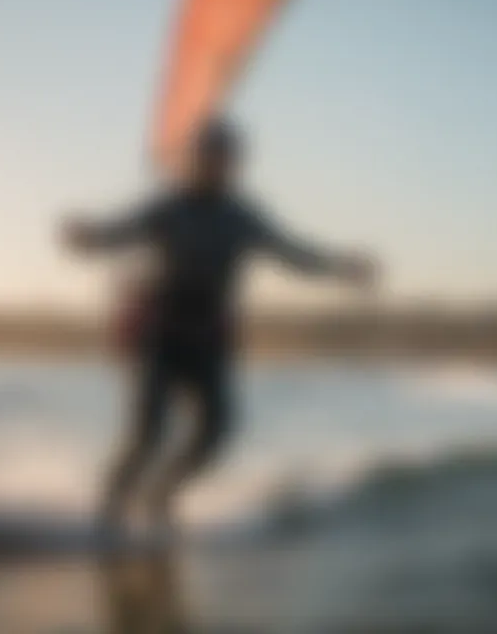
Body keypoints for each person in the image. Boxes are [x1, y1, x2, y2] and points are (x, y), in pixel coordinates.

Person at [60, 117, 378, 535]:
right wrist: (88, 237)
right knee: (148, 433)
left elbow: (292, 253)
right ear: (195, 160)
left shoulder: (241, 216)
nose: (218, 165)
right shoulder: (168, 207)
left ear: (235, 164)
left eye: (227, 159)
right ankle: (107, 515)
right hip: (159, 335)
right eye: (210, 156)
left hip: (207, 340)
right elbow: (117, 233)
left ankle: (162, 495)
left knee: (217, 433)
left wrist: (340, 266)